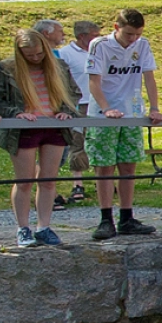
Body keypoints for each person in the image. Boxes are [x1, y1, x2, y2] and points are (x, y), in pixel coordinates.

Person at [0, 20, 78, 247]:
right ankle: (23, 228)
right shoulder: (6, 69)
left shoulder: (59, 66)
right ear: (20, 53)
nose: (35, 58)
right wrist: (16, 113)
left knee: (48, 180)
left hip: (53, 127)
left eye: (39, 54)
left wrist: (66, 112)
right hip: (24, 128)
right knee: (25, 181)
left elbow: (73, 94)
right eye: (29, 55)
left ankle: (44, 226)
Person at [86, 7, 161, 239]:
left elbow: (149, 77)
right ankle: (105, 217)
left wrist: (155, 108)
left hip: (131, 112)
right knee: (105, 165)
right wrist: (106, 108)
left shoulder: (143, 45)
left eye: (137, 34)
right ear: (116, 28)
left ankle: (127, 216)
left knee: (128, 164)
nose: (133, 39)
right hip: (103, 114)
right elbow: (94, 81)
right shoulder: (100, 45)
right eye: (129, 34)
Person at [56, 17, 97, 206]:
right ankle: (77, 183)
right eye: (94, 35)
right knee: (77, 144)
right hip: (78, 104)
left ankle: (102, 180)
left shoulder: (99, 51)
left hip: (97, 103)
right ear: (82, 36)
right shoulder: (65, 54)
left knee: (98, 142)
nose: (98, 38)